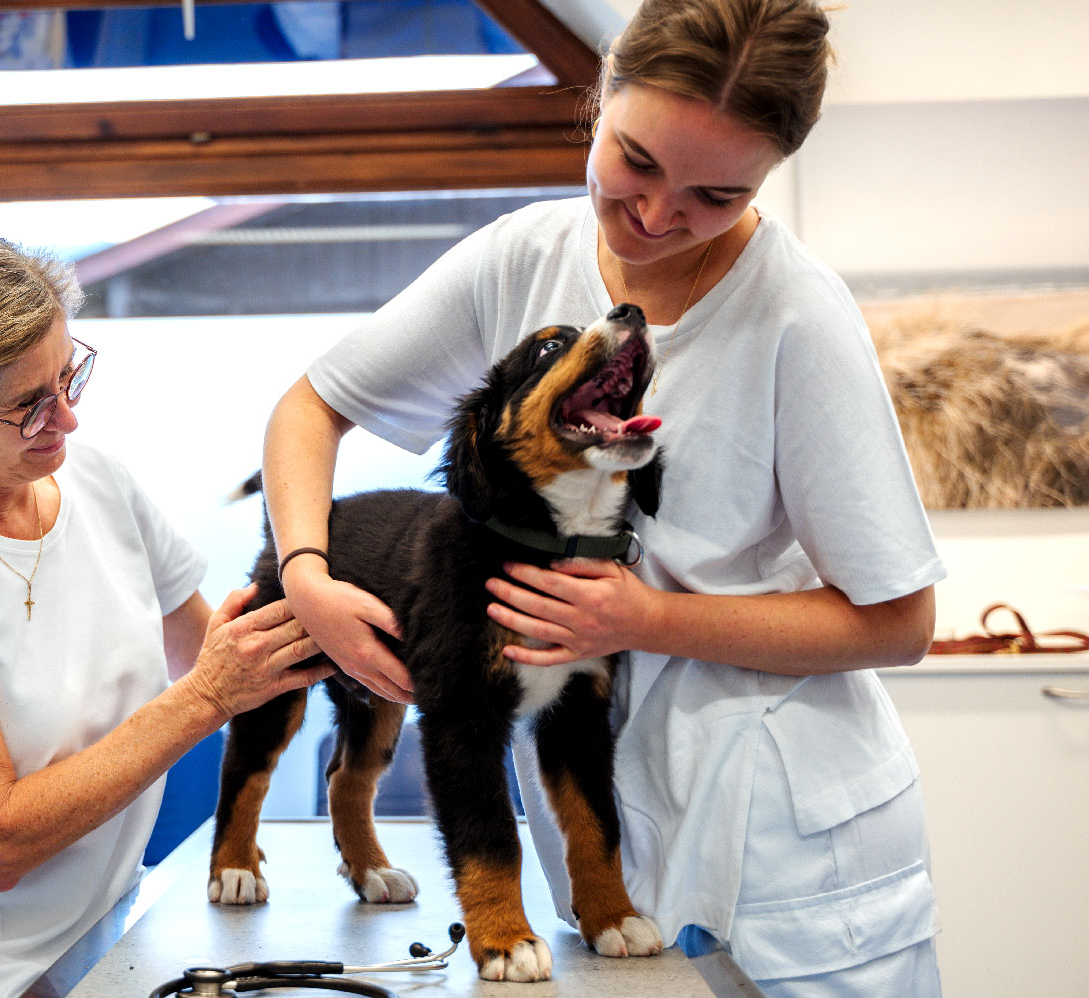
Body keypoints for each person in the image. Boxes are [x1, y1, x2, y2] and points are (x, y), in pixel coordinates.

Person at [260, 1, 945, 994]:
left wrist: (649, 617)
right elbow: (310, 406)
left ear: (770, 175)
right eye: (637, 161)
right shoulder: (524, 256)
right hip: (595, 846)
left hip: (793, 854)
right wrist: (307, 574)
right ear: (597, 103)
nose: (661, 215)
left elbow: (900, 622)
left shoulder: (797, 314)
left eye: (717, 192)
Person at [0, 231, 333, 998]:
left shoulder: (98, 483)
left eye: (69, 376)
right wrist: (209, 695)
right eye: (29, 405)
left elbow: (208, 650)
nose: (67, 420)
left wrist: (345, 618)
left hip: (109, 936)